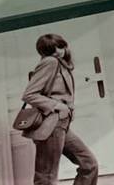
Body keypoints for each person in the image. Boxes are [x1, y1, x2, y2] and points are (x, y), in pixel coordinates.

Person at [20, 34, 98, 185]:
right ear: (45, 52)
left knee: (89, 164)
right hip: (51, 124)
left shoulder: (62, 64)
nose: (57, 51)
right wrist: (58, 106)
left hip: (61, 124)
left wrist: (69, 109)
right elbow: (29, 94)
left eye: (59, 47)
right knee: (46, 177)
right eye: (52, 50)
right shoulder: (50, 62)